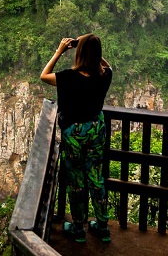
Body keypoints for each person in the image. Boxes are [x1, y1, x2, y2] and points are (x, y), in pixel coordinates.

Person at [40, 34, 112, 244]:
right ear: (98, 55)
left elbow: (44, 75)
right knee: (96, 177)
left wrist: (60, 50)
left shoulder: (68, 77)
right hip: (96, 129)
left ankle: (78, 227)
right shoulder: (105, 75)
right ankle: (102, 226)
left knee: (77, 180)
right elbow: (106, 66)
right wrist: (91, 47)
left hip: (74, 133)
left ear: (79, 53)